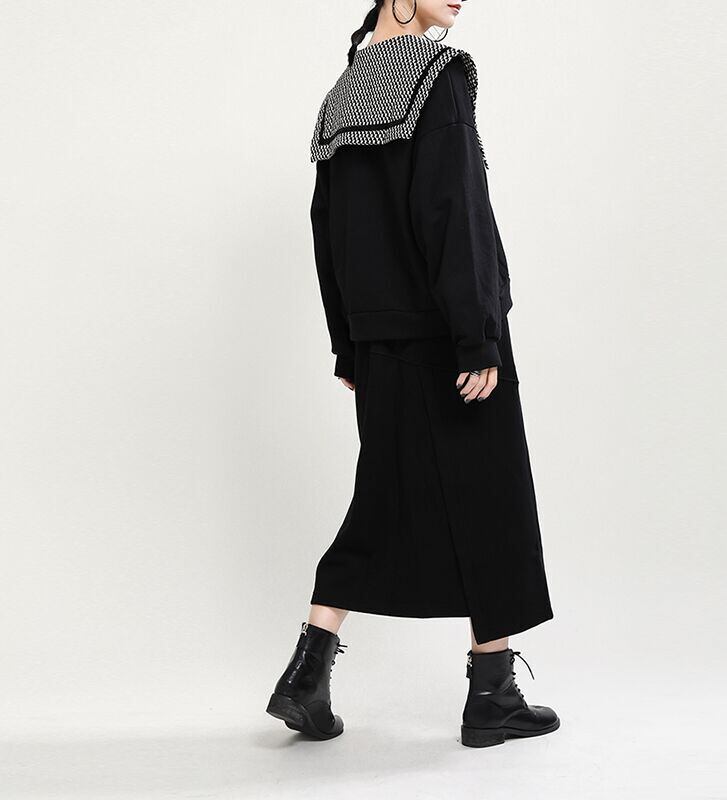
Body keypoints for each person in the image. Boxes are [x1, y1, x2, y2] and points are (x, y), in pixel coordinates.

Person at [267, 0, 559, 748]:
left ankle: (309, 669)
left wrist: (348, 341)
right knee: (490, 500)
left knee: (385, 498)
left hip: (379, 337)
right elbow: (452, 207)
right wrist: (477, 334)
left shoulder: (343, 93)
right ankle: (491, 695)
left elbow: (327, 226)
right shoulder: (438, 73)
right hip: (445, 332)